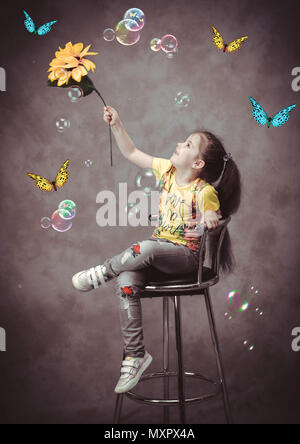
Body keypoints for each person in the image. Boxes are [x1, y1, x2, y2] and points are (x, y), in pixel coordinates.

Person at [72, 106, 242, 394]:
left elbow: (211, 213)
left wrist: (211, 218)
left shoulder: (205, 192)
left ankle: (103, 271)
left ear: (198, 164)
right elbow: (132, 153)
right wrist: (117, 125)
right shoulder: (168, 170)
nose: (179, 144)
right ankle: (136, 355)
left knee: (146, 247)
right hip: (158, 255)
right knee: (126, 282)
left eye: (188, 144)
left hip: (186, 259)